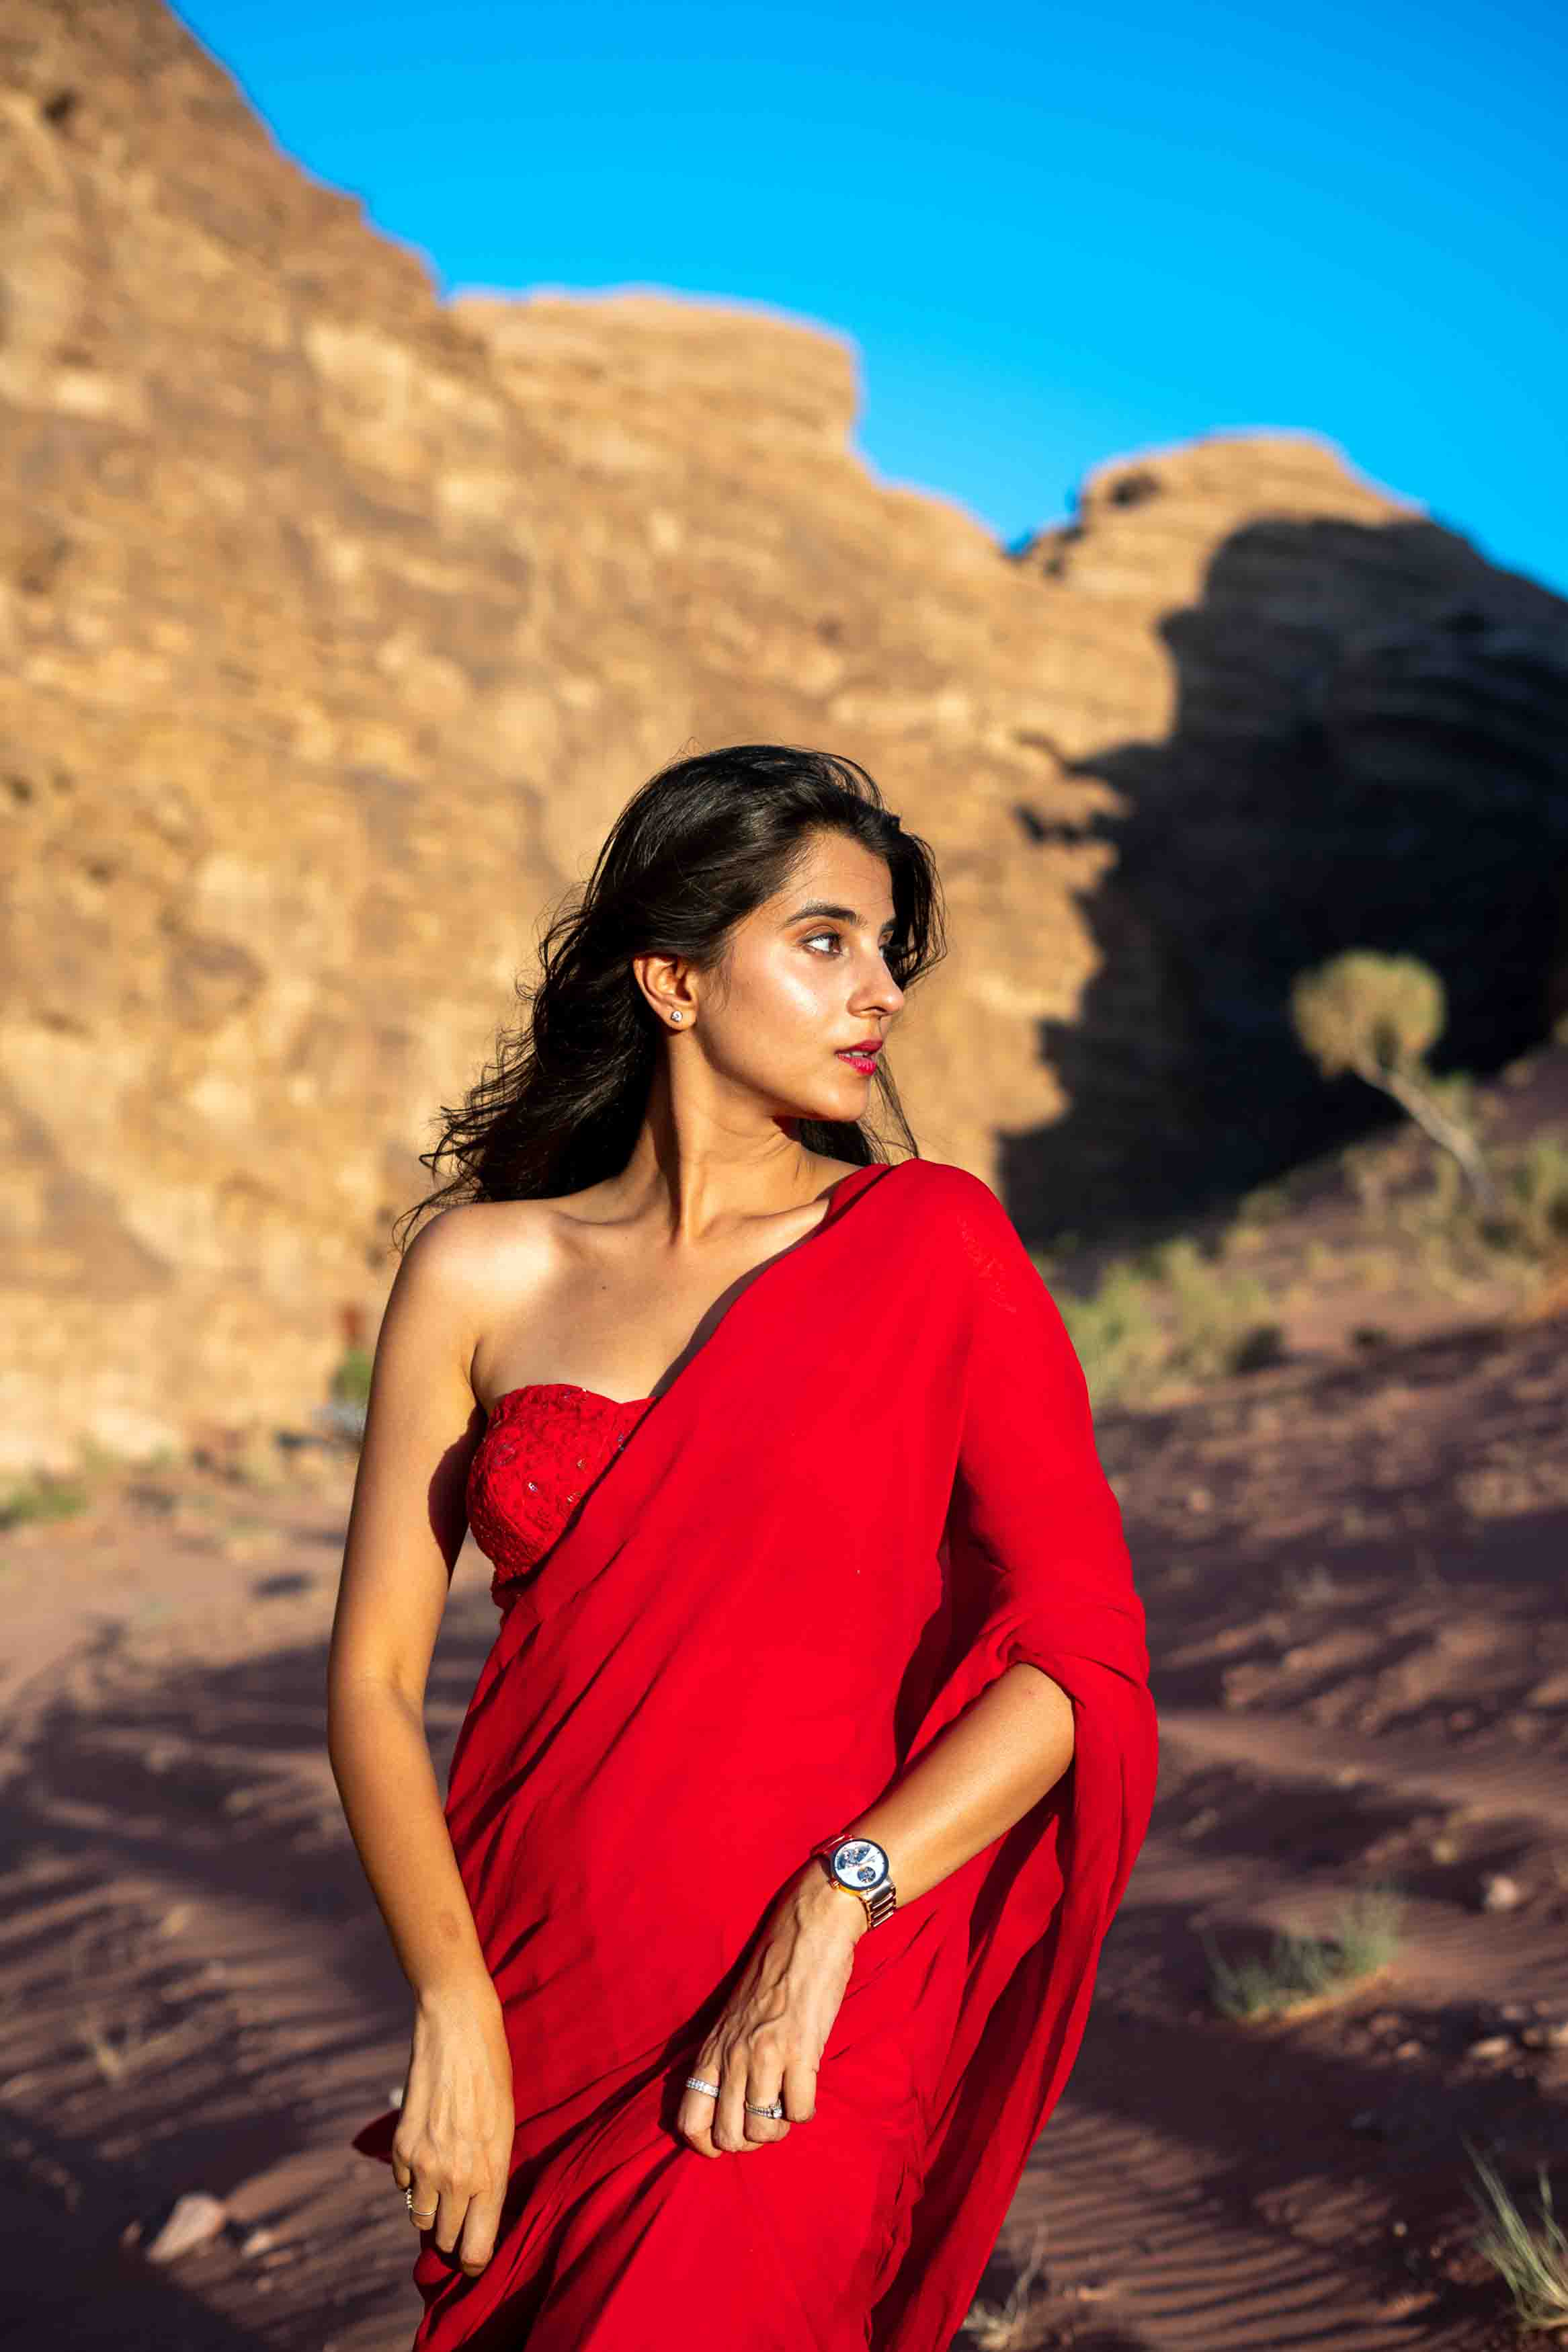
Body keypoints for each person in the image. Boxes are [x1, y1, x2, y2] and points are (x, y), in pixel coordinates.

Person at [327, 743, 1157, 2351]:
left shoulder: (930, 1246)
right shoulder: (481, 1271)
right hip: (541, 1981)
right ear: (674, 977)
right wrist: (452, 2003)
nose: (880, 991)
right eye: (825, 940)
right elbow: (371, 1678)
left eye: (887, 951)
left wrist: (836, 1906)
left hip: (801, 2021)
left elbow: (1079, 1660)